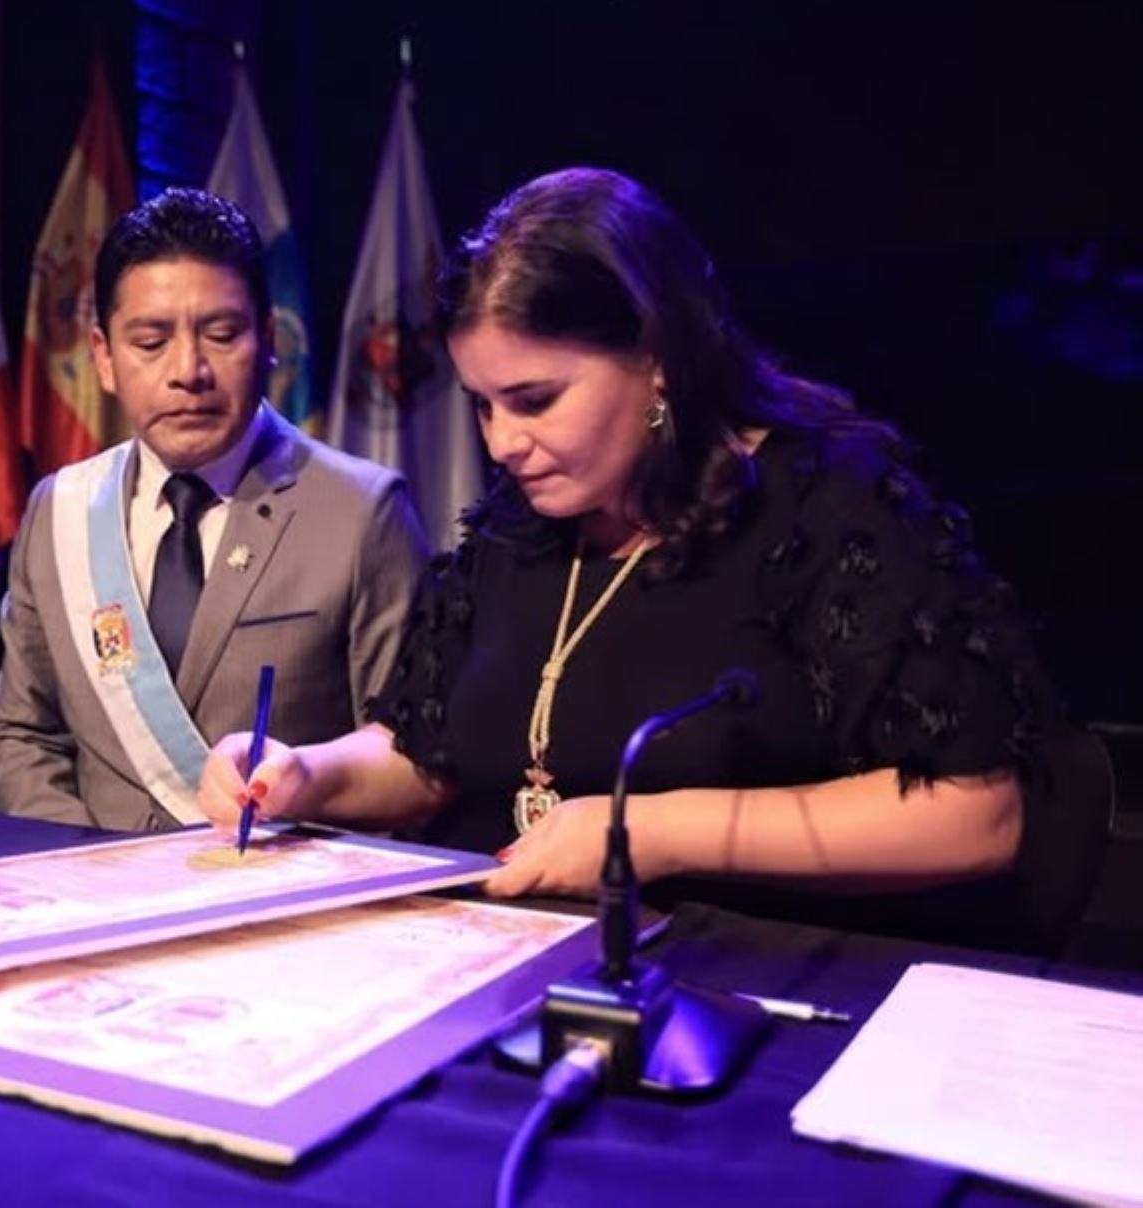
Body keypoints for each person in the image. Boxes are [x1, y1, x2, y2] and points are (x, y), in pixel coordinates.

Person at [199, 167, 1058, 923]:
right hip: (531, 967)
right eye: (483, 403)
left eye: (535, 400)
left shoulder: (829, 510)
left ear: (657, 361)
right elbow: (426, 754)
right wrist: (306, 776)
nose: (501, 442)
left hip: (768, 987)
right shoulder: (518, 525)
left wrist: (645, 831)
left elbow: (974, 815)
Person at [0, 188, 429, 831]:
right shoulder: (61, 511)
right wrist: (83, 874)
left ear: (270, 339)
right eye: (150, 341)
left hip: (287, 904)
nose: (188, 370)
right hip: (96, 905)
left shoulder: (361, 512)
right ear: (104, 357)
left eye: (222, 334)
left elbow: (410, 759)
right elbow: (23, 736)